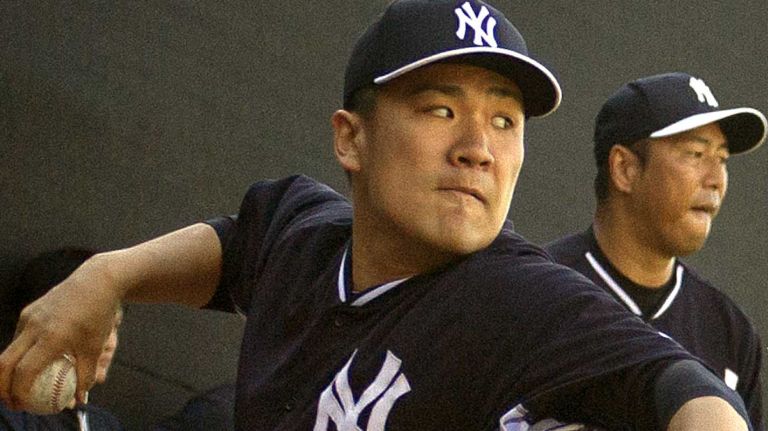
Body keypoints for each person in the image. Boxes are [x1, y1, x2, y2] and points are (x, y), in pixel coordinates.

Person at [0, 1, 755, 429]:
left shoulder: (519, 298)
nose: (477, 148)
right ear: (351, 137)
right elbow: (238, 248)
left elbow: (680, 386)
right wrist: (104, 277)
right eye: (439, 108)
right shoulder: (304, 229)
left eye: (504, 121)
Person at [545, 72, 766, 430]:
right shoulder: (533, 294)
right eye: (696, 154)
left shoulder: (729, 330)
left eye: (722, 159)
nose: (716, 179)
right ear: (625, 168)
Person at [0, 248, 124, 430]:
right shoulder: (9, 414)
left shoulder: (105, 424)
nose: (109, 343)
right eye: (94, 328)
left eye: (115, 327)